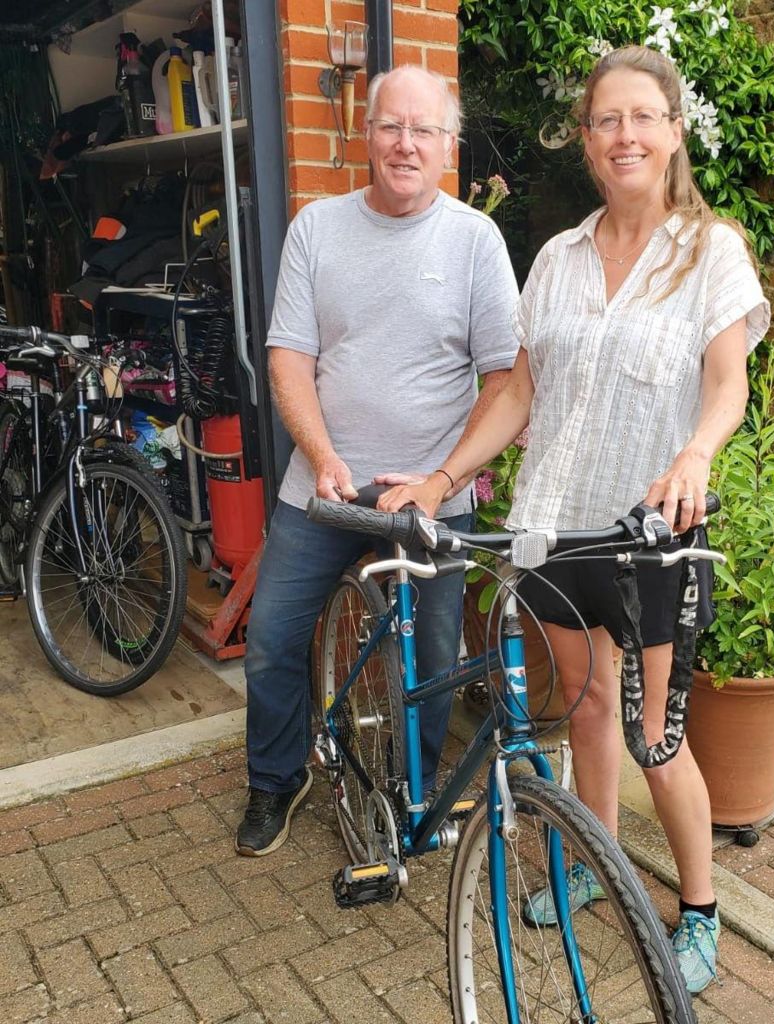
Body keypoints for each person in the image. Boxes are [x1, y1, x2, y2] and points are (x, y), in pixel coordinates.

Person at [380, 45, 769, 992]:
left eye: (643, 117)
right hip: (551, 526)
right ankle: (596, 869)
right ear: (588, 140)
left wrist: (695, 453)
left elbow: (728, 383)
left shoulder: (709, 251)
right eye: (607, 121)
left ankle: (701, 905)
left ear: (674, 131)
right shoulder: (555, 256)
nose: (624, 135)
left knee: (654, 735)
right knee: (587, 711)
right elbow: (520, 392)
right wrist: (441, 476)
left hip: (647, 531)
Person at [236, 66, 519, 857]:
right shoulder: (317, 229)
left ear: (448, 144)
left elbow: (505, 383)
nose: (405, 144)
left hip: (430, 498)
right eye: (391, 127)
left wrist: (444, 479)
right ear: (365, 135)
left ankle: (415, 798)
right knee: (272, 640)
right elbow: (289, 357)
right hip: (323, 489)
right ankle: (275, 779)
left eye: (423, 130)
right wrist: (322, 456)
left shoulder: (475, 240)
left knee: (433, 662)